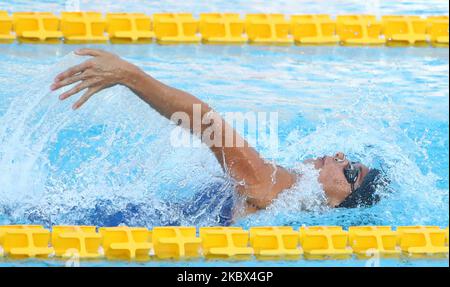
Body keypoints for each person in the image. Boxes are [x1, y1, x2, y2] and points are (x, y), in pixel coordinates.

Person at [51, 48, 388, 225]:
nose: (342, 156)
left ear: (339, 203)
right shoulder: (287, 201)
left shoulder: (272, 189)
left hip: (116, 226)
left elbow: (206, 122)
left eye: (350, 172)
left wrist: (129, 75)